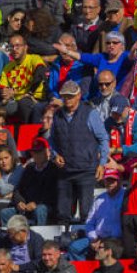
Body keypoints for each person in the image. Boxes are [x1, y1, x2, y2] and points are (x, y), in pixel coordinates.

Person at [48, 80, 110, 223]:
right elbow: (52, 140)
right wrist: (55, 155)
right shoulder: (57, 115)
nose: (67, 99)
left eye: (70, 96)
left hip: (86, 169)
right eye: (64, 96)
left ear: (78, 96)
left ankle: (86, 240)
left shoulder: (90, 113)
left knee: (86, 212)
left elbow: (103, 139)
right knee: (62, 213)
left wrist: (102, 164)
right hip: (65, 170)